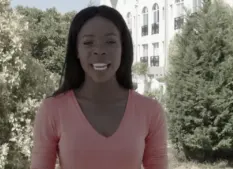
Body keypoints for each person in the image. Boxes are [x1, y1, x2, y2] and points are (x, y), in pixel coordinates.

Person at [30, 5, 168, 169]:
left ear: (123, 49)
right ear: (77, 51)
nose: (99, 51)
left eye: (110, 41)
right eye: (88, 42)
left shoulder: (150, 112)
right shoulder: (52, 110)